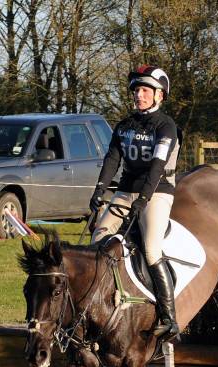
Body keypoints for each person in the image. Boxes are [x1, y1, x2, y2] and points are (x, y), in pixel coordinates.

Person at [89, 65, 181, 341]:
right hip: (126, 191)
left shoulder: (166, 126)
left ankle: (169, 317)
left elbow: (157, 166)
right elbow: (112, 159)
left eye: (145, 91)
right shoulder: (125, 125)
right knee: (99, 239)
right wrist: (99, 190)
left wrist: (144, 198)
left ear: (159, 95)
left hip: (157, 191)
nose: (139, 95)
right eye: (136, 90)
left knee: (151, 248)